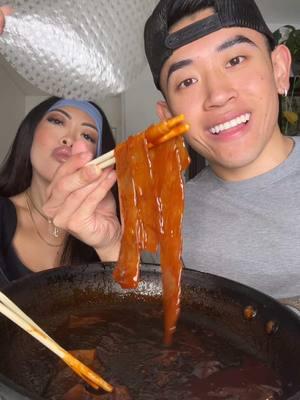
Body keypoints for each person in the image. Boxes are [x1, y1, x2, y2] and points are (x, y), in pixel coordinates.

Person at [143, 0, 300, 302]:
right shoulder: (163, 221)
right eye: (187, 81)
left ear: (279, 69)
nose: (217, 95)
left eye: (235, 60)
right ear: (168, 119)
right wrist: (109, 244)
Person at [0, 59, 121, 284]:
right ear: (30, 134)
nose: (70, 139)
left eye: (88, 136)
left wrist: (111, 246)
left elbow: (137, 317)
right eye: (57, 121)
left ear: (99, 159)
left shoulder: (108, 226)